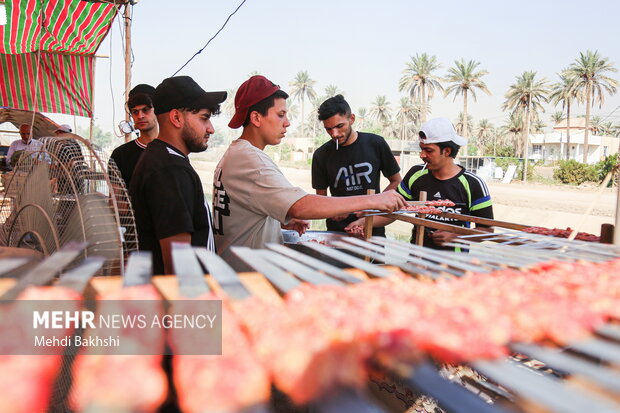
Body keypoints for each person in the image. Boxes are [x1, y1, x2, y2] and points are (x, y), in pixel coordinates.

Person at [212, 75, 406, 267]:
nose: (287, 122)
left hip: (239, 266)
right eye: (281, 115)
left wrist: (282, 222)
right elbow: (301, 206)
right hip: (249, 273)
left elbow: (245, 215)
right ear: (256, 117)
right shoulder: (251, 160)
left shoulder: (237, 155)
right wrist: (374, 200)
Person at [346, 117, 493, 249]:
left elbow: (487, 230)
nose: (422, 155)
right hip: (417, 258)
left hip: (454, 267)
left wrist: (456, 237)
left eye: (429, 150)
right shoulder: (416, 174)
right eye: (422, 149)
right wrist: (363, 222)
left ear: (447, 151)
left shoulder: (472, 184)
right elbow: (394, 211)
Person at [129, 76, 226, 275]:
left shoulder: (165, 158)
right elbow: (178, 263)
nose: (211, 129)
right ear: (176, 118)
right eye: (204, 118)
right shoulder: (169, 169)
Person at [312, 94, 401, 236]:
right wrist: (335, 210)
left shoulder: (376, 144)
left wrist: (374, 205)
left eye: (339, 126)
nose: (334, 134)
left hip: (372, 229)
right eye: (328, 129)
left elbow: (396, 181)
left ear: (351, 119)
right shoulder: (321, 155)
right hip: (338, 233)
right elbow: (321, 199)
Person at [109, 84, 159, 188]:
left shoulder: (172, 151)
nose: (140, 116)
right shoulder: (120, 155)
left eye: (146, 110)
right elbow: (116, 199)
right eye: (135, 112)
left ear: (157, 110)